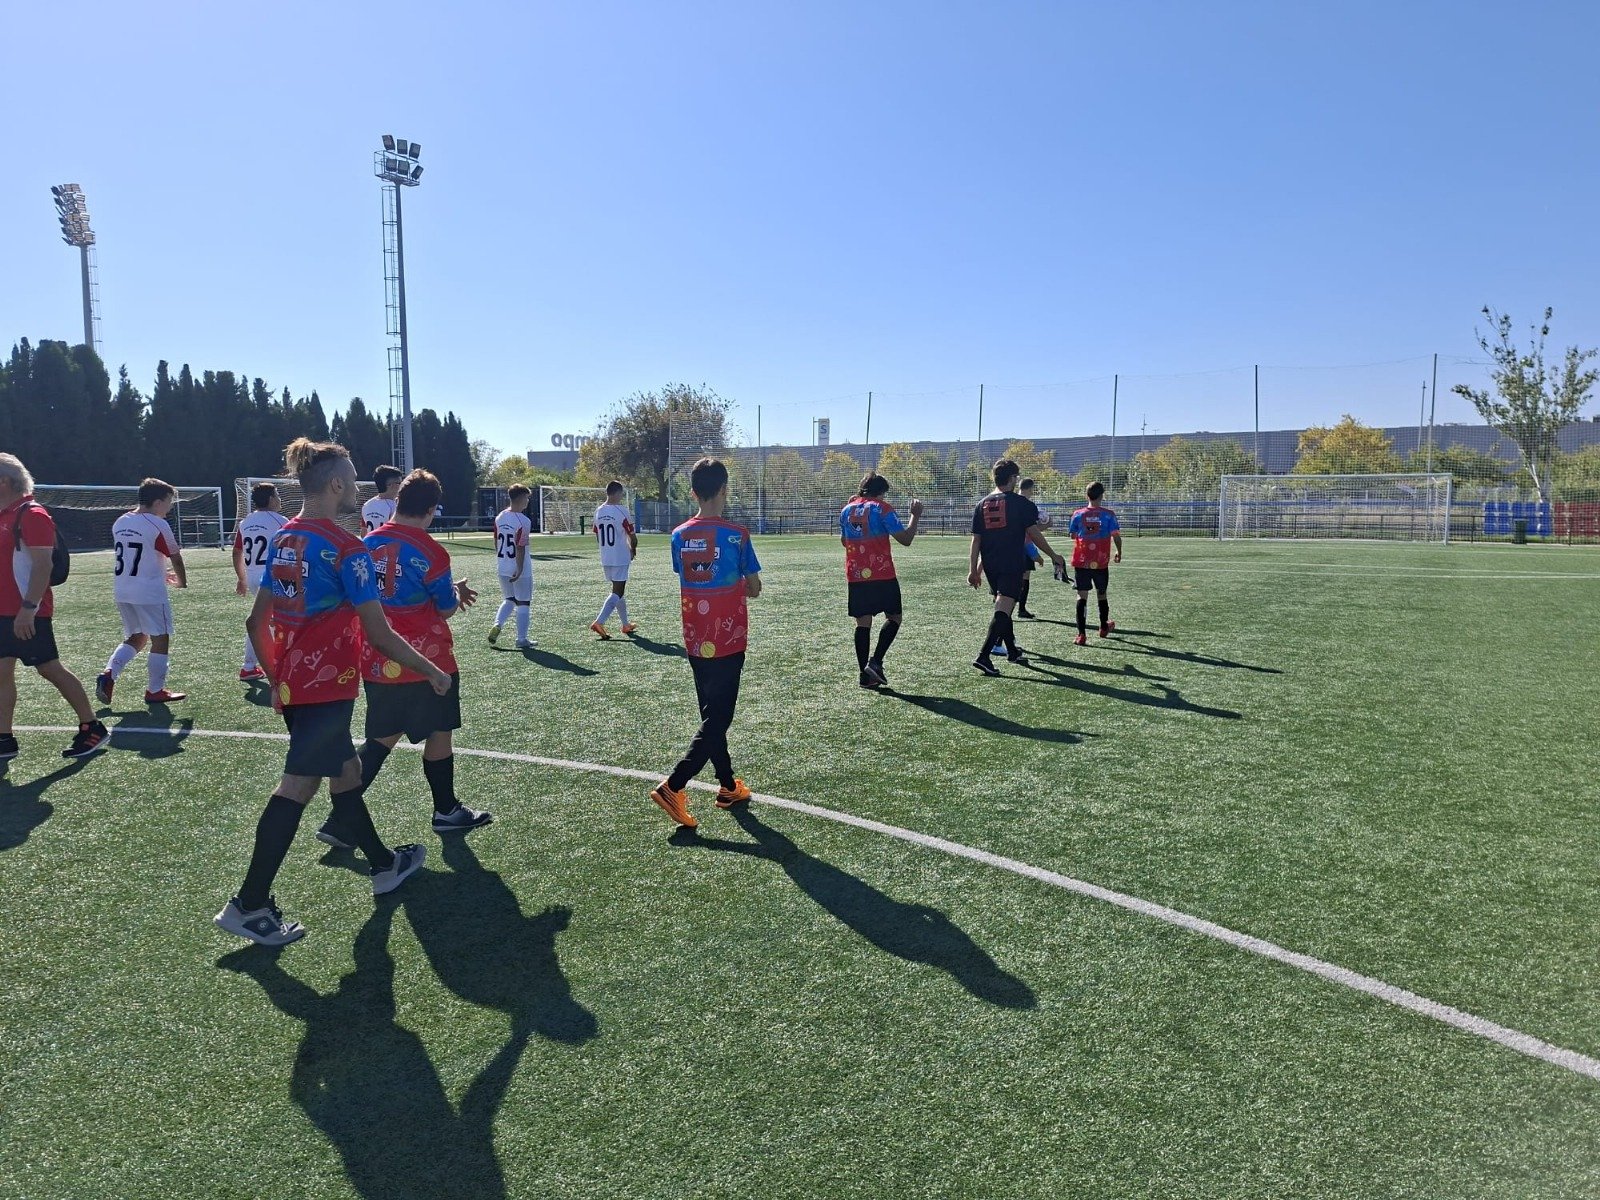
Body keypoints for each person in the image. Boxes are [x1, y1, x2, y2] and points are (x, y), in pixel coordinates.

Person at [214, 439, 450, 947]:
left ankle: (385, 864)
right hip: (329, 686)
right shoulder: (347, 549)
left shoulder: (285, 538)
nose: (359, 485)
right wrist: (432, 670)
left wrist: (278, 675)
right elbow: (381, 633)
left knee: (345, 772)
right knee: (297, 787)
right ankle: (249, 903)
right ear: (337, 484)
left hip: (296, 682)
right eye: (353, 476)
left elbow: (257, 622)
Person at [317, 469, 490, 848]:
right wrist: (453, 592)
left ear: (397, 502)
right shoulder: (431, 550)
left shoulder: (366, 542)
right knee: (440, 731)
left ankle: (340, 818)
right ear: (430, 510)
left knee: (381, 738)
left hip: (379, 656)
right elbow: (443, 608)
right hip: (427, 660)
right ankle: (445, 811)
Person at [648, 458, 761, 828]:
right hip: (728, 635)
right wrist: (740, 586)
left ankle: (728, 785)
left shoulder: (679, 535)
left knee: (711, 714)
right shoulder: (737, 535)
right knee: (720, 717)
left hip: (695, 636)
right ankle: (674, 785)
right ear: (725, 489)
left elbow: (689, 575)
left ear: (693, 492)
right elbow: (755, 587)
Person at [0, 453, 108, 760]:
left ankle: (92, 726)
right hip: (3, 611)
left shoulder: (32, 514)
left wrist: (28, 608)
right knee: (1, 671)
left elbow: (43, 565)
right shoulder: (4, 515)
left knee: (49, 668)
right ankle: (4, 738)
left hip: (26, 611)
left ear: (4, 482)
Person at [968, 458, 1065, 676]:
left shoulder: (981, 504)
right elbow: (1033, 533)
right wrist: (1052, 555)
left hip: (991, 564)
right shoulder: (1021, 504)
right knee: (1004, 607)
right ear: (1012, 479)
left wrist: (973, 569)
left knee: (1005, 605)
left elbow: (976, 540)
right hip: (1011, 562)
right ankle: (983, 656)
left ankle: (1011, 650)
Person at [96, 478, 188, 705]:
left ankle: (109, 674)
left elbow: (139, 554)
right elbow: (175, 556)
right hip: (149, 592)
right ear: (157, 502)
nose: (170, 507)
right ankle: (155, 690)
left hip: (123, 590)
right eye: (168, 502)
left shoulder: (121, 521)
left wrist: (159, 570)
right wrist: (182, 582)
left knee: (137, 637)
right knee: (161, 638)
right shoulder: (158, 524)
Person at [839, 472, 922, 689]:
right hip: (881, 573)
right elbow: (905, 539)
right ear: (881, 492)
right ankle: (875, 662)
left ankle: (864, 676)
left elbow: (844, 541)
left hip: (856, 574)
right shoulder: (882, 508)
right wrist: (915, 515)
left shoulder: (846, 510)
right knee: (894, 617)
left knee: (862, 623)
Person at [233, 481, 289, 680]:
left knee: (260, 619)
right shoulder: (281, 521)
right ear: (272, 499)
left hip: (252, 575)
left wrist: (241, 578)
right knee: (276, 620)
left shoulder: (246, 521)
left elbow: (237, 551)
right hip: (271, 575)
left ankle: (249, 666)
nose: (280, 500)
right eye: (278, 496)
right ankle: (274, 664)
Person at [1067, 480, 1123, 646]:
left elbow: (1072, 535)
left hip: (1082, 560)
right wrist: (1119, 551)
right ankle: (1104, 627)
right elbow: (1116, 536)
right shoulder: (1109, 514)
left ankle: (1081, 635)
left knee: (1081, 596)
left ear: (1087, 495)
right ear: (1102, 496)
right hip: (1101, 561)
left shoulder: (1078, 514)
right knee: (1101, 594)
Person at [589, 480, 638, 639]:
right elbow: (632, 535)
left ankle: (625, 624)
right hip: (620, 555)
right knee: (618, 591)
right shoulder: (621, 510)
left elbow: (597, 534)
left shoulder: (599, 511)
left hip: (606, 556)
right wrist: (633, 549)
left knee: (618, 591)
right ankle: (599, 622)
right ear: (617, 493)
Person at [488, 485, 534, 649]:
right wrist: (520, 568)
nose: (527, 501)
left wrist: (502, 560)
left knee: (509, 599)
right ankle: (521, 639)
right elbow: (520, 547)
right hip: (519, 568)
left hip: (502, 565)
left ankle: (498, 624)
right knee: (523, 602)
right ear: (521, 498)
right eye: (527, 498)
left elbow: (495, 540)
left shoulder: (500, 517)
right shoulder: (524, 521)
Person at [1015, 478, 1049, 621]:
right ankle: (1021, 609)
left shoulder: (1010, 501)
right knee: (1024, 577)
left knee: (1009, 575)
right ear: (1030, 489)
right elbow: (1030, 531)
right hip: (1023, 547)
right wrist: (1046, 525)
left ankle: (1001, 603)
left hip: (1007, 545)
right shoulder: (1029, 506)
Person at [361, 465, 402, 535]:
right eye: (399, 483)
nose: (402, 485)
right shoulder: (394, 507)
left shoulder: (366, 505)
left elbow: (363, 533)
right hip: (388, 544)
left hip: (370, 544)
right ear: (391, 485)